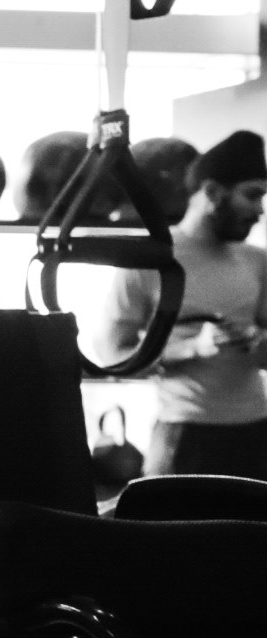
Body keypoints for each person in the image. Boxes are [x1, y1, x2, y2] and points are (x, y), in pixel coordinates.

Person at [83, 127, 267, 481]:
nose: (260, 210)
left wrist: (258, 342)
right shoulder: (149, 261)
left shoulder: (258, 261)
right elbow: (112, 356)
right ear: (212, 192)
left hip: (258, 431)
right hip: (185, 436)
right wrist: (191, 348)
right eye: (252, 195)